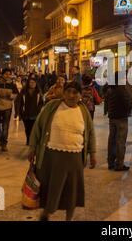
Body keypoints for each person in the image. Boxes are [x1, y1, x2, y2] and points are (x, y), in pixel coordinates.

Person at [28, 82, 97, 221]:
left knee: (71, 191)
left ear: (80, 95)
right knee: (51, 188)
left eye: (75, 92)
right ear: (63, 92)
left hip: (74, 158)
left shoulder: (83, 111)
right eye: (68, 91)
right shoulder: (52, 107)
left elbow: (90, 132)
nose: (71, 95)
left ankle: (69, 218)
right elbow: (38, 127)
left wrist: (93, 153)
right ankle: (46, 213)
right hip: (51, 157)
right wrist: (33, 148)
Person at [106, 72, 132, 171]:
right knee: (120, 141)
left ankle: (110, 162)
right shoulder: (122, 89)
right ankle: (119, 164)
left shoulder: (111, 88)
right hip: (121, 118)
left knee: (112, 140)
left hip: (112, 117)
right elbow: (128, 104)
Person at [0, 68, 19, 152]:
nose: (7, 76)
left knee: (5, 126)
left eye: (9, 74)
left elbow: (16, 94)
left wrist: (11, 96)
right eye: (6, 74)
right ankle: (0, 137)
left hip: (7, 107)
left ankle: (4, 144)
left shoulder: (12, 84)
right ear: (2, 74)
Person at [15, 78, 44, 145]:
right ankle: (28, 138)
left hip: (35, 113)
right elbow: (19, 102)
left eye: (34, 82)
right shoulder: (23, 92)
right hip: (26, 113)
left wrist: (39, 109)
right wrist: (18, 112)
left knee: (33, 128)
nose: (32, 84)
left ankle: (31, 140)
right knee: (27, 128)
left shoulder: (38, 93)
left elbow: (41, 103)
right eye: (31, 82)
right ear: (28, 83)